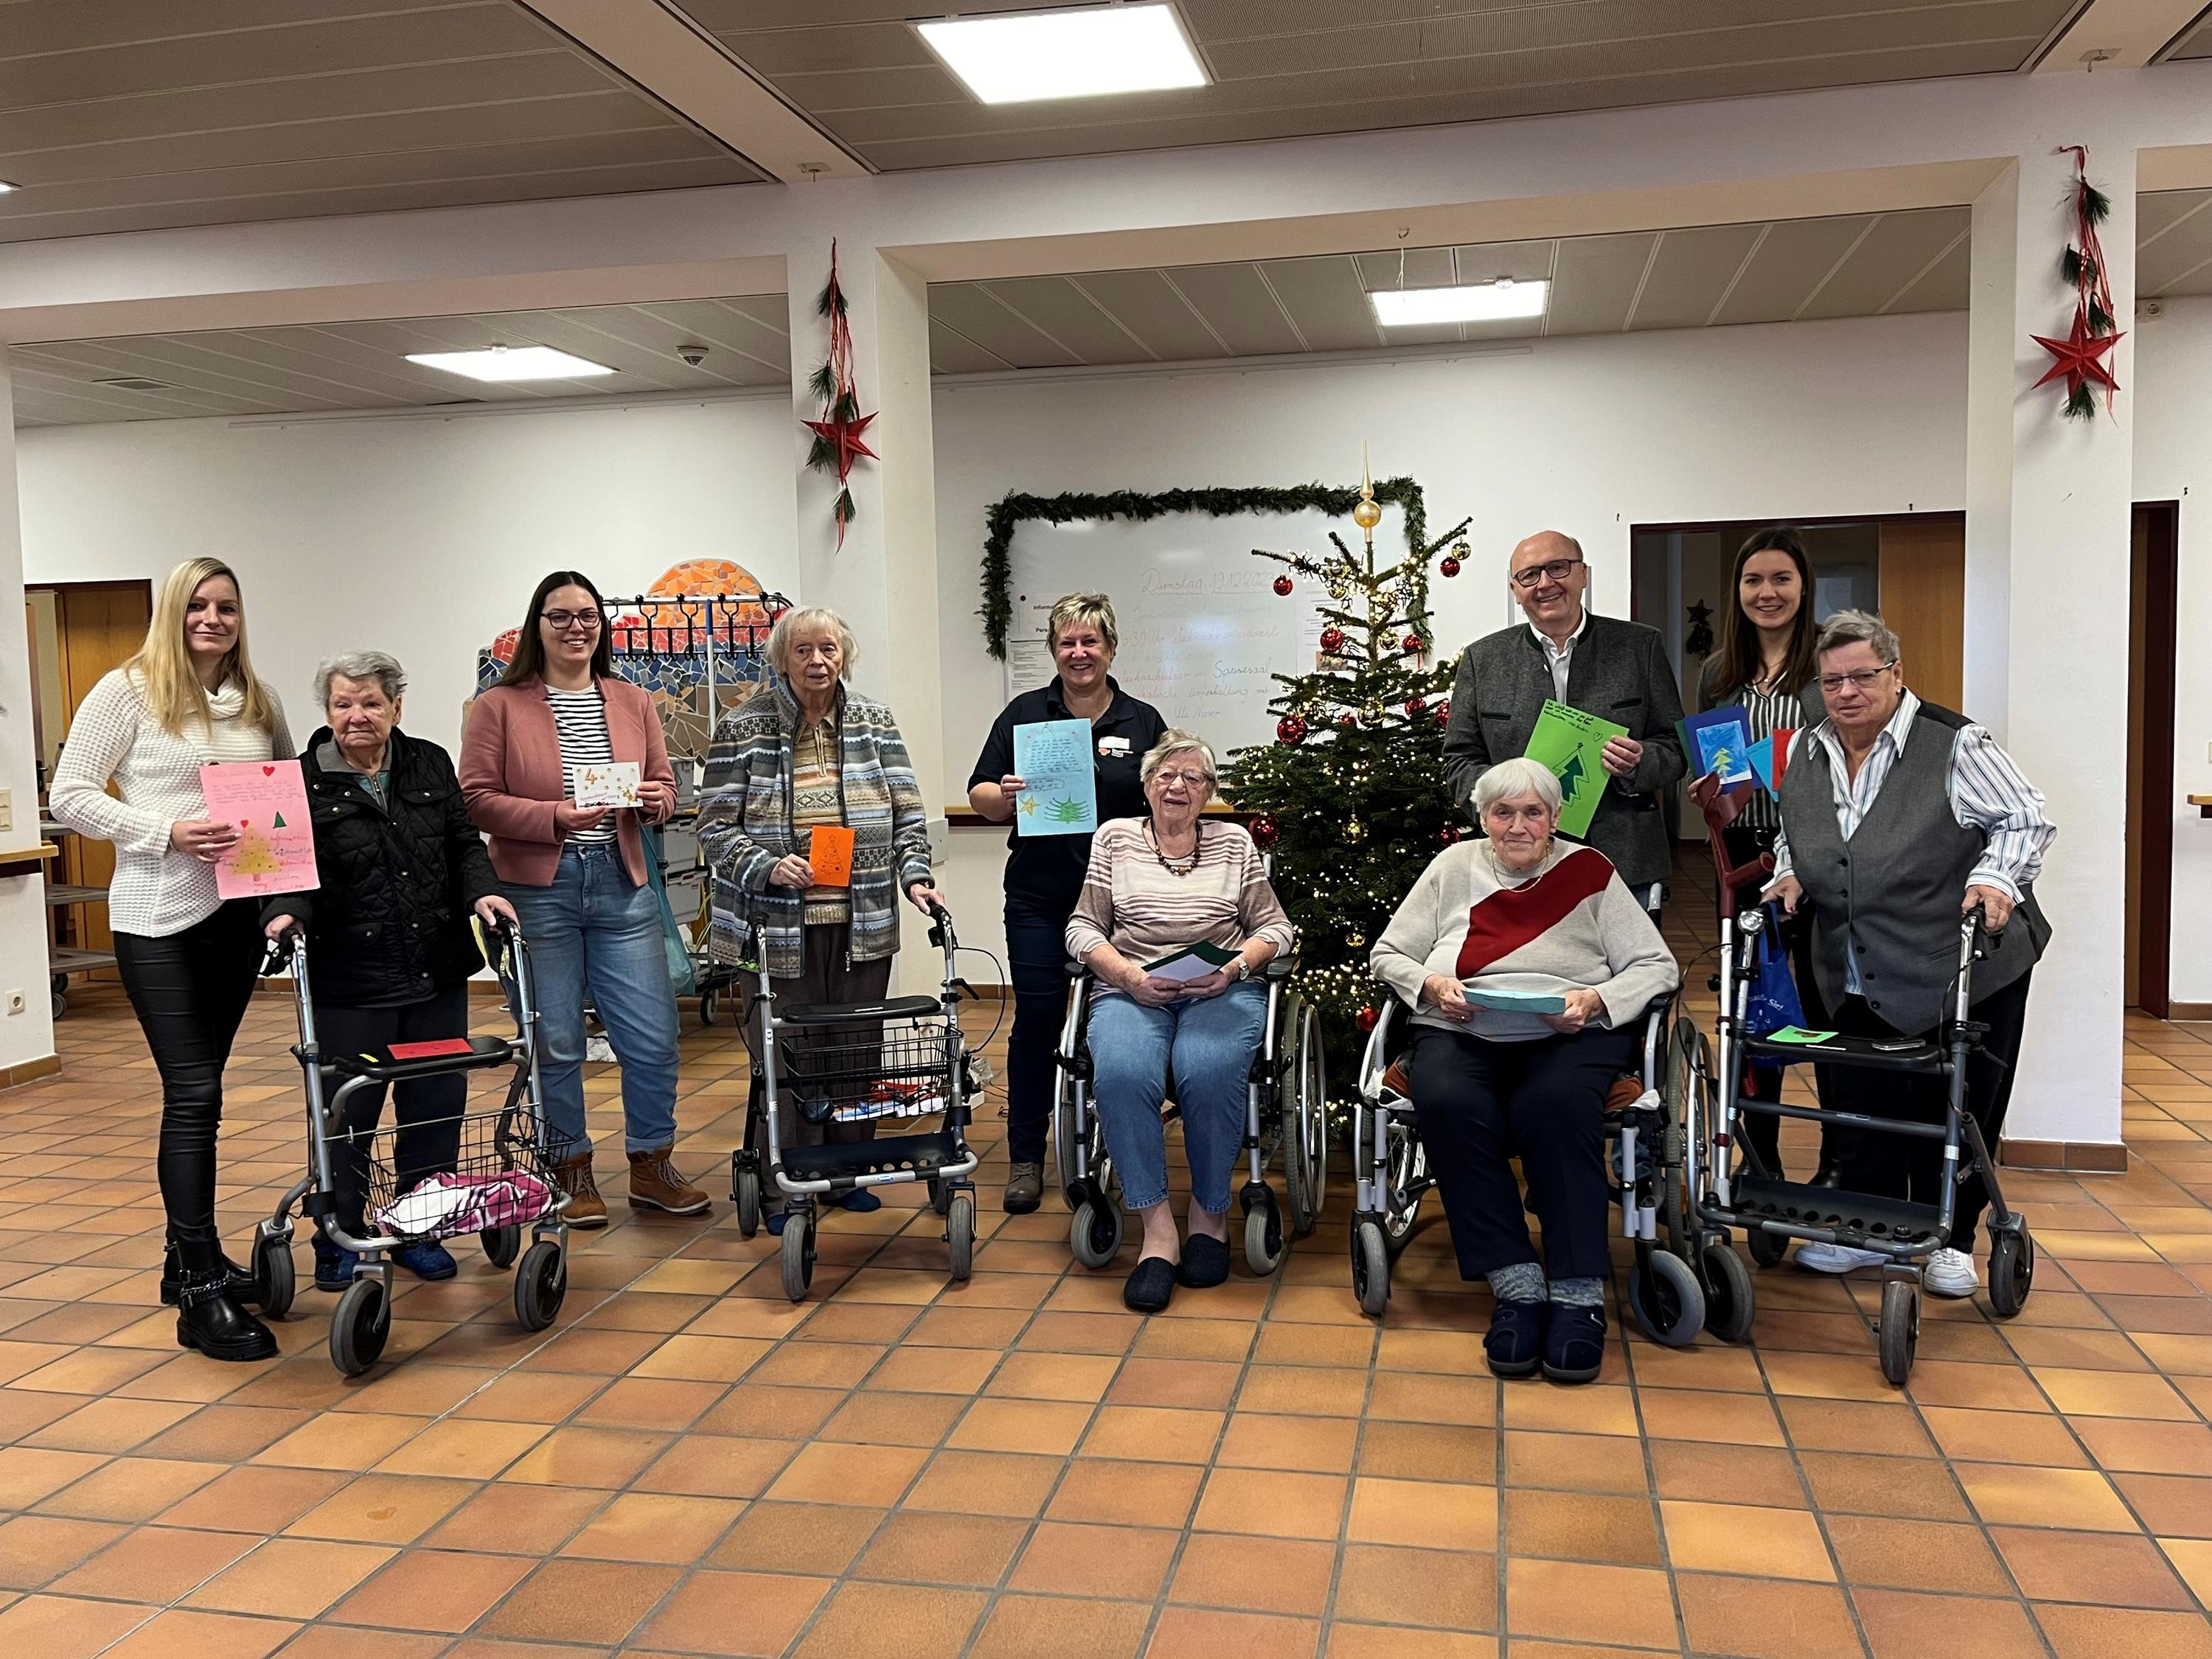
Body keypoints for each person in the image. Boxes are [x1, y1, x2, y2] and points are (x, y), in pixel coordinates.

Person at [1765, 610, 2053, 1298]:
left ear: (1895, 674)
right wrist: (1792, 869)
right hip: (1855, 958)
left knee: (1956, 1102)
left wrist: (1994, 877)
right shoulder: (1807, 748)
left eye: (1863, 676)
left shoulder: (1955, 743)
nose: (1846, 693)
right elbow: (1800, 829)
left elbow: (2026, 816)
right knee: (1861, 1094)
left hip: (1957, 959)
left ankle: (1950, 1239)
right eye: (1832, 681)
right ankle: (1867, 1228)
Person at [49, 557, 295, 1362]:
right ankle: (198, 1295)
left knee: (207, 1094)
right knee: (193, 1094)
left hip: (234, 921)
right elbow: (71, 794)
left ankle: (183, 1258)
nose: (212, 619)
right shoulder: (128, 690)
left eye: (226, 606)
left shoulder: (259, 700)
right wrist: (165, 831)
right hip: (157, 920)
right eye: (197, 605)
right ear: (172, 612)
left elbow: (283, 796)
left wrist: (280, 898)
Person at [1371, 757, 1678, 1384]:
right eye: (1502, 812)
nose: (1518, 825)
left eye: (1532, 812)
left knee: (1556, 1105)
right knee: (1450, 1102)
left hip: (1568, 1030)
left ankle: (1576, 1293)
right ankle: (1515, 1283)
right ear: (1482, 817)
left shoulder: (1590, 871)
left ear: (1555, 818)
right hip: (1462, 1025)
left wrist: (1596, 1001)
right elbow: (1389, 952)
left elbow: (1656, 966)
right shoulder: (1454, 867)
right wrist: (1431, 984)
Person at [459, 570, 706, 1227]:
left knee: (653, 1037)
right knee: (557, 1039)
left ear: (602, 626)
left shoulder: (632, 700)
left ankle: (652, 1164)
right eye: (560, 616)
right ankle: (569, 1170)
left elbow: (662, 787)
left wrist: (658, 802)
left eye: (588, 616)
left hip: (621, 882)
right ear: (536, 626)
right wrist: (552, 817)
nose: (576, 627)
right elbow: (475, 799)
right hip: (538, 889)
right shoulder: (498, 706)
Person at [262, 652, 517, 1290]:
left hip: (435, 968)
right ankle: (338, 1237)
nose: (357, 716)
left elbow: (463, 843)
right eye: (344, 704)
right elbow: (285, 871)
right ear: (326, 712)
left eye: (371, 703)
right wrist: (283, 914)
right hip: (349, 977)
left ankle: (417, 1227)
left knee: (434, 1105)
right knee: (349, 1113)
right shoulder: (296, 783)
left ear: (396, 708)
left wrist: (481, 893)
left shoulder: (426, 760)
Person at [697, 605, 944, 1233]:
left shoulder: (873, 721)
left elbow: (909, 815)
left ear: (845, 655)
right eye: (803, 650)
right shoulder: (742, 726)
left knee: (855, 1047)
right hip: (772, 925)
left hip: (863, 920)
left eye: (828, 649)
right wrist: (767, 865)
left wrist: (915, 876)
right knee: (790, 1054)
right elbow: (715, 829)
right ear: (782, 658)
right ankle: (787, 1186)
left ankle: (845, 1168)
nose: (817, 662)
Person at [1065, 731, 1296, 1315]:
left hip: (1216, 990)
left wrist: (1237, 967)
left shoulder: (1234, 844)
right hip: (1133, 988)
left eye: (1193, 778)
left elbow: (1277, 928)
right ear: (1146, 786)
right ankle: (1159, 1232)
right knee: (1120, 1072)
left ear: (1209, 793)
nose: (1178, 786)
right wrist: (1126, 977)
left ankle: (1209, 1218)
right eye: (1167, 775)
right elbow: (1082, 929)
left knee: (1209, 1066)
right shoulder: (1114, 839)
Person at [968, 594, 1166, 1214]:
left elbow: (1168, 797)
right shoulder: (1026, 714)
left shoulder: (1141, 720)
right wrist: (1003, 796)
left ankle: (1113, 1144)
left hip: (1122, 904)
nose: (1079, 654)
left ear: (1110, 648)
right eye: (1067, 643)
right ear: (1054, 650)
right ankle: (1027, 1156)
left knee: (1115, 1021)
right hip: (1039, 897)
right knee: (1037, 1020)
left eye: (1091, 643)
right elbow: (979, 796)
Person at [1699, 525, 1837, 1186]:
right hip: (1743, 860)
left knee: (1824, 1008)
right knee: (1754, 1014)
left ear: (1804, 587)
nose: (1767, 592)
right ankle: (1762, 1154)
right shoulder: (1717, 673)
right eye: (1754, 580)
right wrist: (1706, 787)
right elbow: (1714, 765)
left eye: (1781, 578)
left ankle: (1842, 1161)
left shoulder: (1828, 667)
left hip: (1820, 858)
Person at [1442, 531, 1686, 896]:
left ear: (1583, 574)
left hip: (1624, 862)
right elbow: (1459, 760)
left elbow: (1675, 747)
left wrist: (1640, 761)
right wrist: (1505, 804)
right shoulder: (1482, 660)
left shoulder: (1640, 647)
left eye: (1558, 568)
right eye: (1530, 575)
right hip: (1515, 864)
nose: (1545, 584)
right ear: (1515, 589)